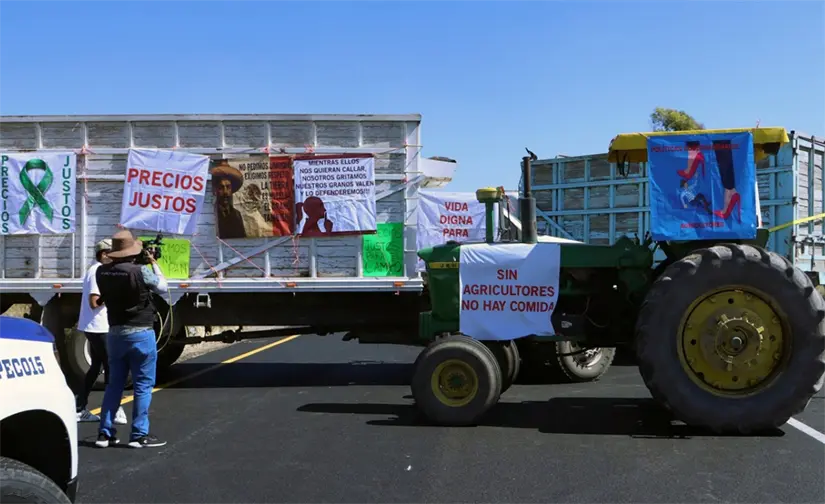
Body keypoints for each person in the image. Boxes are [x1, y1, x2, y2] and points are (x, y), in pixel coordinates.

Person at [94, 230, 168, 449]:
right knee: (143, 385)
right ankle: (138, 435)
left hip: (115, 333)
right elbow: (162, 287)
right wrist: (153, 263)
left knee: (114, 385)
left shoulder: (101, 272)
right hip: (140, 333)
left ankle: (105, 434)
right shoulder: (141, 271)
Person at [75, 238, 127, 425]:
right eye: (112, 254)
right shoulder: (98, 271)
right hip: (99, 327)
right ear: (104, 254)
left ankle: (79, 408)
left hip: (95, 326)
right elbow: (94, 302)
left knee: (96, 367)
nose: (115, 258)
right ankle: (114, 409)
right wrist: (112, 292)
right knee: (112, 367)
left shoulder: (96, 270)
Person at [211, 160, 247, 239]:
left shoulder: (237, 215)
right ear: (216, 189)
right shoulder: (212, 213)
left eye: (228, 187)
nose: (225, 192)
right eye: (221, 187)